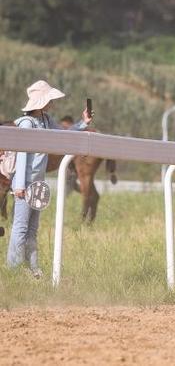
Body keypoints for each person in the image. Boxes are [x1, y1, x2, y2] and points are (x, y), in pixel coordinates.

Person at [6, 80, 92, 277]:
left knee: (33, 227)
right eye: (49, 99)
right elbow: (22, 154)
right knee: (21, 227)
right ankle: (13, 269)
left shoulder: (45, 120)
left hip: (37, 182)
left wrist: (82, 123)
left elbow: (62, 135)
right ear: (42, 101)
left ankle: (32, 267)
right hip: (25, 183)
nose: (52, 103)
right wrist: (19, 185)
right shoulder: (27, 124)